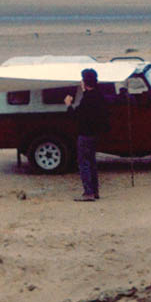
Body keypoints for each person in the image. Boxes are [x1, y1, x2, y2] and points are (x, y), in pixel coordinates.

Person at [64, 67, 108, 201]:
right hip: (96, 134)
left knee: (84, 163)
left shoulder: (87, 99)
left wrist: (68, 105)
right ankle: (95, 191)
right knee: (92, 162)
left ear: (84, 82)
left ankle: (88, 192)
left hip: (85, 134)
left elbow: (76, 116)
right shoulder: (99, 96)